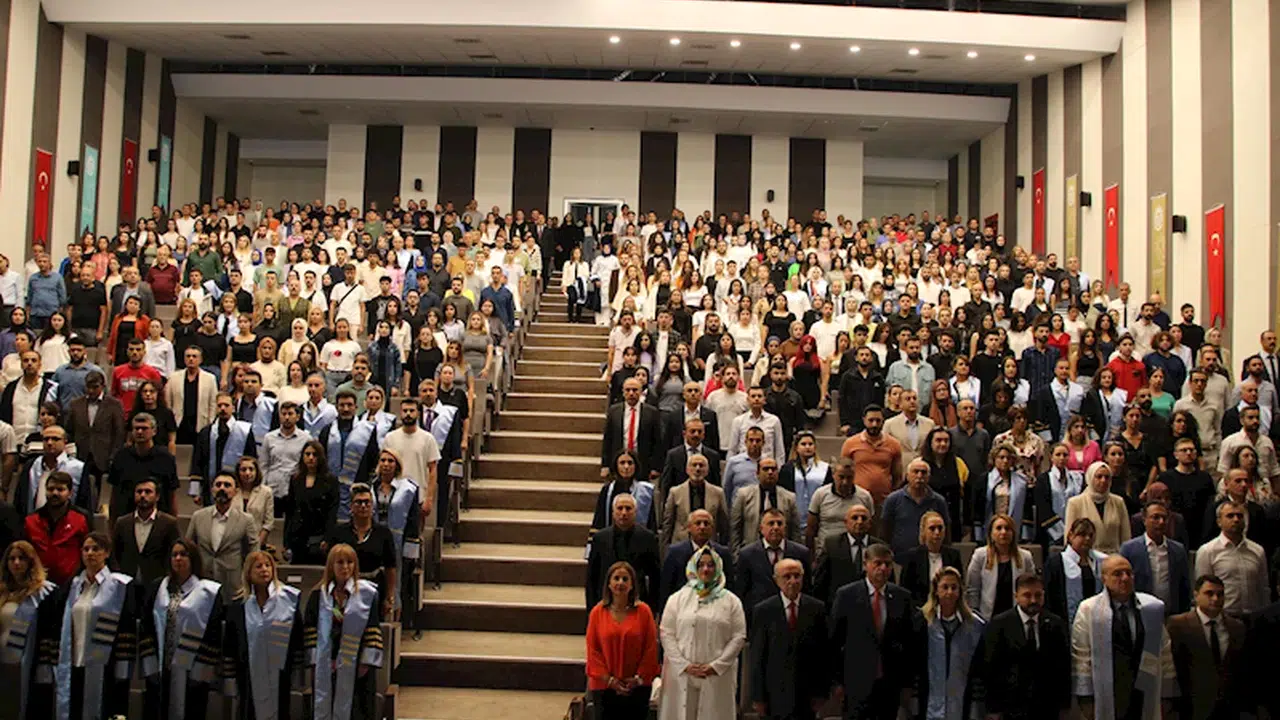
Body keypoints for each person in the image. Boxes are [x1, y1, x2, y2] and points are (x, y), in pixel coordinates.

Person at [30, 532, 137, 720]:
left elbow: (126, 628)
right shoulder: (72, 587)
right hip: (73, 663)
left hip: (106, 666)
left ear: (107, 553)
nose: (90, 553)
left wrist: (123, 667)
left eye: (96, 549)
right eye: (86, 549)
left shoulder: (120, 586)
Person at [1071, 555, 1175, 720]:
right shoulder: (1089, 609)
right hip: (1109, 691)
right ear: (1104, 578)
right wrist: (1085, 697)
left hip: (1144, 691)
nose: (1125, 578)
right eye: (1117, 574)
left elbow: (1164, 651)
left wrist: (1167, 693)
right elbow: (1082, 657)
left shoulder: (1151, 608)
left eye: (1128, 573)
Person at [138, 538, 224, 720]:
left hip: (192, 670)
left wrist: (201, 672)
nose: (178, 558)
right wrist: (150, 665)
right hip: (160, 666)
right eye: (174, 555)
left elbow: (213, 634)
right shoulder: (157, 588)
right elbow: (146, 626)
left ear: (193, 559)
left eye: (183, 554)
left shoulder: (208, 593)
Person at [657, 546, 747, 720]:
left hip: (717, 675)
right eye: (701, 565)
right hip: (681, 673)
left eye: (711, 565)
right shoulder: (676, 599)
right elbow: (666, 633)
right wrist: (684, 665)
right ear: (693, 567)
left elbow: (738, 636)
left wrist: (716, 666)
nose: (706, 569)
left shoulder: (731, 601)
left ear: (718, 567)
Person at [829, 542, 913, 720]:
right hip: (856, 683)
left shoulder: (902, 597)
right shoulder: (847, 595)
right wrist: (836, 681)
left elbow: (908, 643)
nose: (883, 568)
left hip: (889, 684)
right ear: (865, 564)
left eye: (887, 564)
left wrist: (906, 683)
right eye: (877, 563)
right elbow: (835, 641)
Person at [302, 544, 383, 720]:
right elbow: (310, 631)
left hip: (357, 666)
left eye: (349, 562)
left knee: (357, 709)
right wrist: (317, 662)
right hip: (326, 666)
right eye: (340, 562)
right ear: (331, 565)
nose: (345, 567)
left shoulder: (366, 595)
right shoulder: (319, 595)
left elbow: (373, 630)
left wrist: (365, 662)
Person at [221, 550, 303, 720]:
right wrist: (230, 680)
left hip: (280, 675)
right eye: (258, 566)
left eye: (268, 565)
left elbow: (297, 640)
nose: (264, 569)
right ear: (249, 573)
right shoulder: (239, 606)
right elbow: (231, 645)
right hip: (247, 676)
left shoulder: (288, 602)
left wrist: (297, 674)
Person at [980, 573, 1073, 720]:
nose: (1033, 600)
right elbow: (990, 668)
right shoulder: (1000, 624)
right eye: (1027, 595)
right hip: (1010, 706)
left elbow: (1063, 668)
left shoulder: (1056, 624)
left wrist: (1065, 705)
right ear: (1016, 596)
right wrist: (993, 708)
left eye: (1038, 595)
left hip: (1047, 707)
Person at [748, 558, 828, 720]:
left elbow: (823, 654)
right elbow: (757, 656)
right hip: (774, 694)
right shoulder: (763, 611)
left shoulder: (817, 608)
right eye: (787, 576)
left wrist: (821, 692)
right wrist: (758, 696)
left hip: (807, 694)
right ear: (776, 580)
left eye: (797, 576)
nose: (793, 581)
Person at [585, 561, 660, 720]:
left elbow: (650, 648)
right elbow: (593, 650)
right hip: (604, 687)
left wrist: (638, 678)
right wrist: (610, 680)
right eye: (616, 578)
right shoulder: (597, 613)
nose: (620, 583)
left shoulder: (644, 612)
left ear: (632, 585)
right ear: (609, 584)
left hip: (637, 687)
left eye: (625, 579)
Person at [1167, 574, 1247, 720]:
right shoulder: (1178, 625)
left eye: (1220, 594)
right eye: (1209, 593)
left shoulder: (1236, 627)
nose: (1215, 599)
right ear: (1196, 595)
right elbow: (1175, 666)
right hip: (1192, 706)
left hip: (1229, 707)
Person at [914, 566, 984, 720]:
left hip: (962, 704)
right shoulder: (922, 622)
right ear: (936, 590)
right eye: (945, 587)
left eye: (954, 587)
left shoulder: (974, 625)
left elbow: (978, 670)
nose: (950, 592)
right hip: (928, 702)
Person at [0, 540, 56, 720]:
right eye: (12, 559)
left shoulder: (44, 592)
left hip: (27, 664)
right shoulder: (2, 592)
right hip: (3, 663)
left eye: (21, 558)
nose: (16, 563)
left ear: (31, 561)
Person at [185, 473, 259, 600]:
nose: (222, 488)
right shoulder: (198, 517)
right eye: (218, 485)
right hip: (202, 586)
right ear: (212, 490)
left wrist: (248, 584)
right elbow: (188, 548)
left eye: (227, 485)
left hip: (233, 588)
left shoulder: (246, 520)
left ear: (236, 492)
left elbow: (254, 553)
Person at [1194, 497, 1269, 615]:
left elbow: (1263, 588)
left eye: (1240, 516)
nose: (1236, 519)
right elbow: (1203, 591)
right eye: (1230, 516)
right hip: (1223, 616)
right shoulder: (1207, 551)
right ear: (1219, 521)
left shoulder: (1257, 551)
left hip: (1254, 616)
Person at [587, 494, 662, 611]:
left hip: (637, 604)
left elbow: (655, 577)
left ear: (635, 512)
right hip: (606, 604)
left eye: (628, 508)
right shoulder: (600, 538)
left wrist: (652, 609)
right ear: (613, 512)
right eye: (620, 508)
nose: (624, 513)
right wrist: (592, 609)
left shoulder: (648, 538)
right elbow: (592, 577)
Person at [1118, 500, 1192, 615]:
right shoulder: (1129, 549)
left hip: (1171, 615)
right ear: (1144, 519)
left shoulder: (1178, 550)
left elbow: (1184, 586)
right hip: (1140, 613)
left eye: (1164, 518)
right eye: (1156, 517)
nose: (1161, 522)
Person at [734, 507, 812, 614]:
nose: (776, 527)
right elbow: (741, 591)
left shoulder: (801, 553)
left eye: (779, 523)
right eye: (771, 523)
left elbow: (807, 589)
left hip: (792, 613)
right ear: (761, 528)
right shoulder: (747, 554)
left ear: (785, 528)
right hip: (759, 615)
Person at [658, 509, 733, 615]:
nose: (702, 527)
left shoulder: (723, 554)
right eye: (698, 523)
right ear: (689, 527)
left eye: (706, 524)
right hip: (682, 611)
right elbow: (666, 589)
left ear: (712, 529)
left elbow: (730, 587)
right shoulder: (674, 553)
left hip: (716, 611)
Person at [111, 478, 182, 586]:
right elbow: (115, 553)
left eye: (148, 492)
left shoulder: (169, 523)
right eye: (139, 492)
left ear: (157, 496)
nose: (143, 495)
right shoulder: (122, 523)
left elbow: (173, 553)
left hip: (158, 584)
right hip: (126, 583)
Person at [190, 393, 257, 506]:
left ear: (233, 408)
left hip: (238, 487)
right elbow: (197, 462)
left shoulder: (244, 431)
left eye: (226, 405)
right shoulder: (206, 432)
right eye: (219, 405)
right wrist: (195, 490)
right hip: (211, 487)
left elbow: (251, 459)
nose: (222, 408)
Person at [965, 512, 1034, 619]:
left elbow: (1030, 587)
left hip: (1016, 617)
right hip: (987, 617)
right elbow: (973, 589)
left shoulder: (1025, 557)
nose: (1003, 532)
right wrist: (975, 616)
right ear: (991, 533)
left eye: (1007, 528)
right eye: (999, 528)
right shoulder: (980, 556)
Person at [813, 503, 884, 607]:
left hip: (871, 605)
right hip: (839, 604)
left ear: (870, 523)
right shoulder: (832, 545)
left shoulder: (879, 547)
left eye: (864, 518)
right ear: (846, 522)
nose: (859, 522)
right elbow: (820, 580)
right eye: (854, 518)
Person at [729, 457, 802, 554]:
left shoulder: (789, 497)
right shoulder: (743, 495)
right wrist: (736, 556)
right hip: (751, 553)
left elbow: (795, 532)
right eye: (766, 469)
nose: (770, 472)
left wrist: (794, 556)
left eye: (773, 469)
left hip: (781, 553)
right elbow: (734, 529)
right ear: (757, 473)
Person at [879, 459, 949, 557]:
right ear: (907, 476)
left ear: (929, 477)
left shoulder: (938, 501)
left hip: (930, 557)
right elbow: (885, 532)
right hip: (900, 557)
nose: (919, 476)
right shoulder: (893, 500)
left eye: (923, 472)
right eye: (916, 472)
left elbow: (946, 532)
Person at [14, 425, 89, 517]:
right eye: (46, 439)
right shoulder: (31, 465)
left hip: (68, 523)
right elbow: (19, 500)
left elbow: (85, 503)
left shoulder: (78, 468)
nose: (49, 443)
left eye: (55, 439)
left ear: (65, 441)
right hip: (33, 522)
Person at [284, 440, 339, 565]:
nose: (311, 458)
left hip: (319, 536)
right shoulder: (296, 479)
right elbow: (290, 511)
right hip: (298, 536)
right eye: (307, 454)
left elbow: (332, 513)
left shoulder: (330, 480)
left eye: (315, 454)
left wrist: (328, 538)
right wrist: (286, 542)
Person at [1044, 517, 1107, 626]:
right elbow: (1049, 597)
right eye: (1082, 534)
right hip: (1065, 620)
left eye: (1091, 535)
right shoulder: (1056, 562)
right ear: (1071, 536)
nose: (1087, 539)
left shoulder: (1101, 561)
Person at [661, 454, 729, 551]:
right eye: (694, 465)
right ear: (687, 470)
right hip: (680, 546)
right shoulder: (675, 492)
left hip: (710, 547)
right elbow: (667, 524)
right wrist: (665, 550)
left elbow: (724, 524)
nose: (697, 469)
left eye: (701, 465)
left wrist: (723, 548)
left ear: (707, 471)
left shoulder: (718, 493)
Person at [840, 404, 903, 507]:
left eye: (878, 421)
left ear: (883, 421)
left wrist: (892, 498)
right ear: (864, 420)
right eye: (871, 420)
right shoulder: (850, 443)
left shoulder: (894, 444)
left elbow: (897, 477)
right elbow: (843, 472)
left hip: (884, 501)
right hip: (857, 500)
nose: (874, 424)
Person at [603, 377, 665, 481]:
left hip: (643, 463)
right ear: (623, 392)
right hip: (619, 462)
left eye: (635, 390)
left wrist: (656, 467)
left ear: (641, 392)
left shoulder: (651, 412)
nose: (631, 393)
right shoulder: (614, 411)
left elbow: (657, 441)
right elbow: (608, 439)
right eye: (628, 390)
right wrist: (605, 465)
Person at [898, 511, 963, 607]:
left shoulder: (953, 555)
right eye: (932, 528)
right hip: (919, 609)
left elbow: (959, 586)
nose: (937, 532)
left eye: (940, 528)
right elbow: (905, 589)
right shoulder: (912, 556)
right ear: (923, 531)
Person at [1065, 460, 1132, 553]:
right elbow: (1069, 537)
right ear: (1090, 478)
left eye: (1107, 477)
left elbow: (1126, 536)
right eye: (1099, 477)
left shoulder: (1118, 502)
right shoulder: (1075, 503)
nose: (1103, 480)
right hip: (1086, 556)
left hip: (1114, 556)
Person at [167, 346, 218, 446]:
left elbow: (213, 403)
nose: (191, 359)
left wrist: (210, 423)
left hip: (200, 424)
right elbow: (169, 402)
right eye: (188, 356)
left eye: (194, 356)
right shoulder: (174, 377)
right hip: (179, 423)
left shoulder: (210, 378)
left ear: (201, 359)